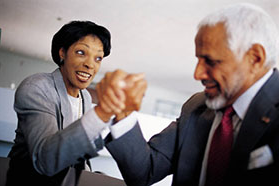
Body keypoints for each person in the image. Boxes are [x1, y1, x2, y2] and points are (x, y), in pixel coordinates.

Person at [97, 3, 279, 186]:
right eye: (198, 59)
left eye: (210, 61)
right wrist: (123, 113)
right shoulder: (196, 107)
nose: (197, 74)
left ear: (255, 58)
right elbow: (144, 171)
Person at [6, 20, 144, 186]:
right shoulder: (37, 87)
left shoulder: (85, 96)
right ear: (62, 53)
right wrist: (102, 112)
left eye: (98, 58)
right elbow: (46, 161)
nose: (90, 65)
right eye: (81, 52)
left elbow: (79, 146)